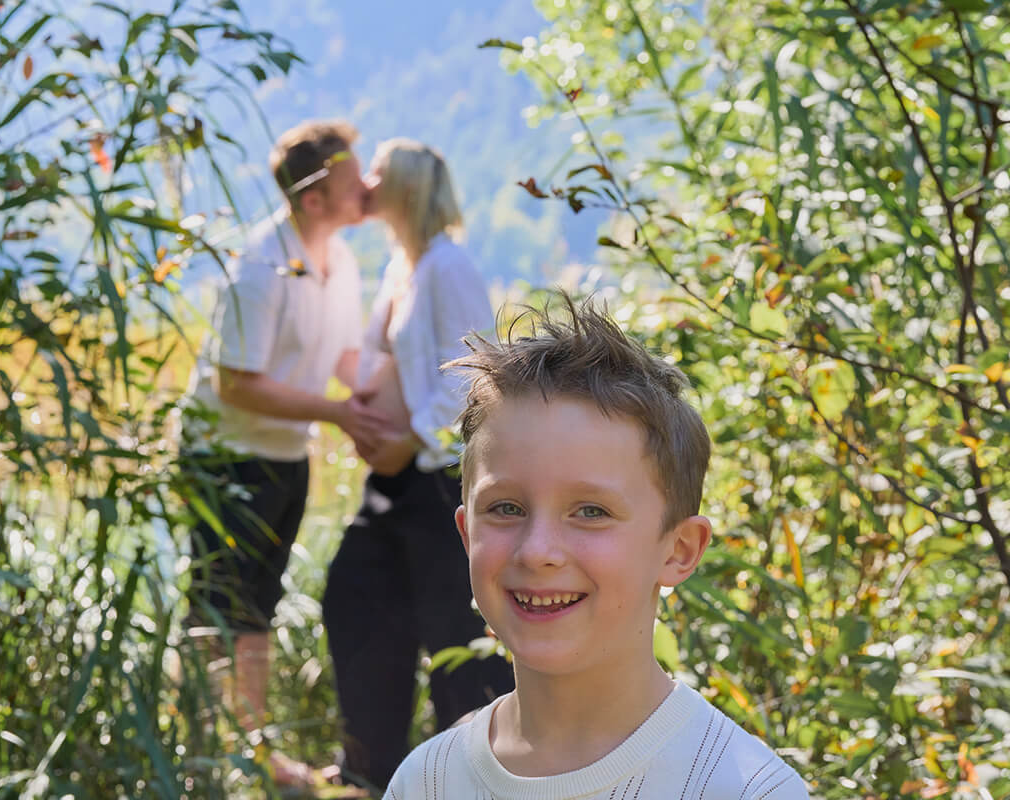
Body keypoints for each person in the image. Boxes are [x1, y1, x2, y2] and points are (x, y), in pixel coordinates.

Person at [384, 296, 809, 799]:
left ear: (679, 549)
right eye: (506, 509)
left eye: (590, 512)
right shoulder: (426, 782)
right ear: (467, 534)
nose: (538, 551)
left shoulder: (743, 789)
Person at [180, 119, 386, 784]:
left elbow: (350, 361)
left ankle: (254, 752)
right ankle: (207, 752)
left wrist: (406, 395)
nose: (373, 188)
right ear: (315, 198)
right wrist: (335, 414)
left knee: (258, 603)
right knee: (219, 607)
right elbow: (235, 384)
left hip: (284, 453)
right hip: (225, 457)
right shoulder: (262, 266)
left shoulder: (342, 262)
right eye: (358, 179)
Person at [321, 139, 515, 791]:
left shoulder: (447, 266)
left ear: (405, 187)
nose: (368, 182)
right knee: (358, 597)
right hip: (397, 476)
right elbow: (378, 357)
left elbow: (474, 371)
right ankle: (372, 769)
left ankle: (468, 777)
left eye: (379, 171)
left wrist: (408, 435)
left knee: (452, 629)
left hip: (435, 478)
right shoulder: (404, 267)